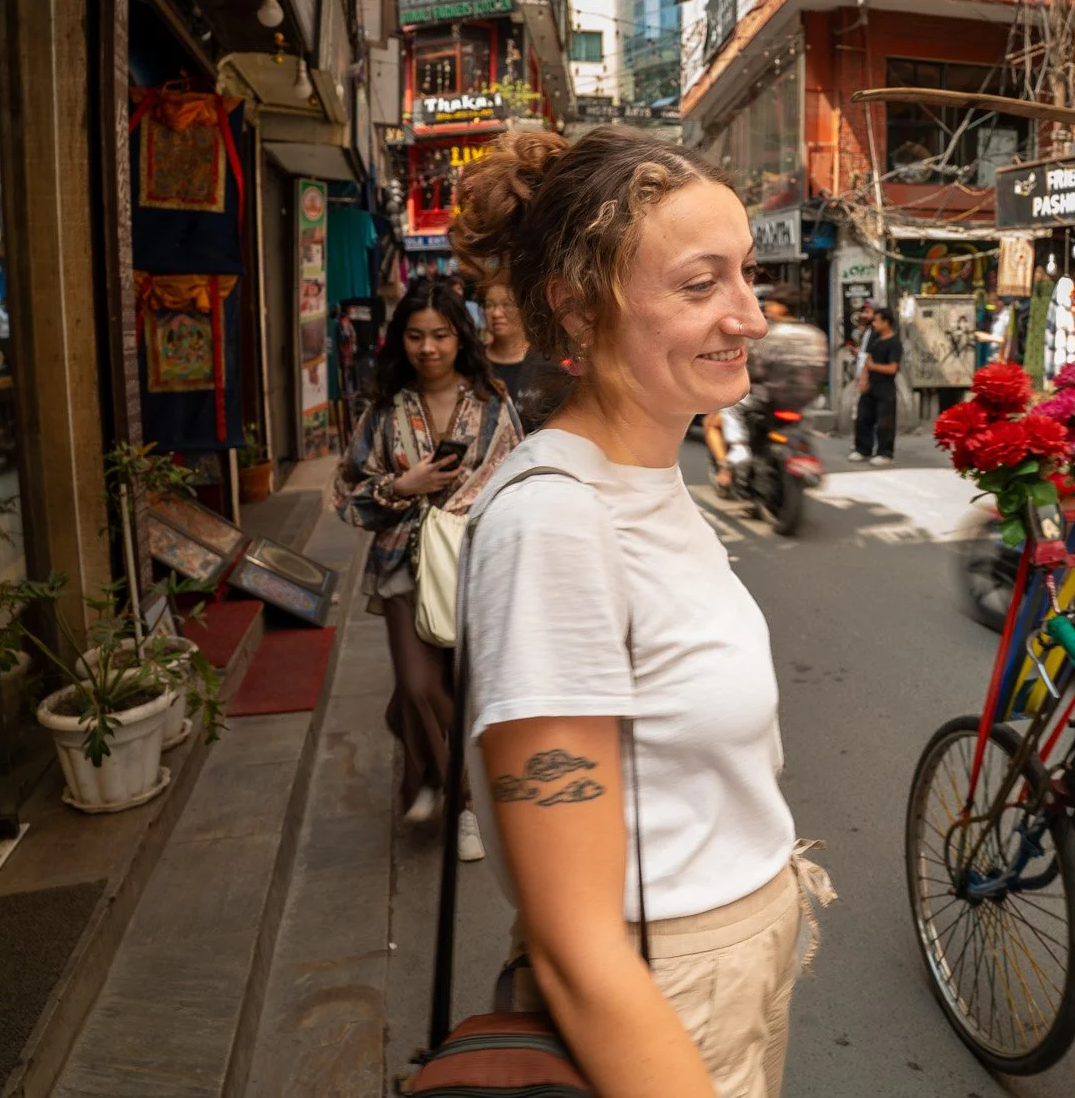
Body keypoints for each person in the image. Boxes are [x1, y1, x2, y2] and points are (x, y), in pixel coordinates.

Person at [451, 127, 832, 1098]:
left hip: (729, 970)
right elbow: (576, 947)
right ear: (577, 310)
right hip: (661, 1002)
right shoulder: (555, 523)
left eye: (744, 275)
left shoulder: (649, 476)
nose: (746, 315)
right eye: (699, 285)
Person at [335, 276, 522, 863]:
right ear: (401, 341)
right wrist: (402, 486)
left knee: (464, 688)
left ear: (458, 335)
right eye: (415, 336)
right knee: (421, 685)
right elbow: (346, 493)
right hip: (403, 566)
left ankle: (424, 769)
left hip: (476, 566)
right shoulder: (386, 409)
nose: (428, 348)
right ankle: (465, 802)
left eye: (440, 334)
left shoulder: (490, 402)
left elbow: (519, 477)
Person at [706, 286, 829, 493]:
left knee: (721, 416)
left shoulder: (767, 334)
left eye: (772, 304)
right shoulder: (815, 335)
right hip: (804, 401)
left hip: (768, 400)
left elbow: (753, 368)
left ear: (781, 308)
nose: (768, 308)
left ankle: (738, 451)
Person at [481, 278, 564, 432]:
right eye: (489, 305)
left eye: (507, 304)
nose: (496, 313)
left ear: (524, 309)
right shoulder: (474, 362)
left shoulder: (547, 364)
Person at [850, 306, 900, 465]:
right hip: (870, 385)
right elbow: (867, 361)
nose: (875, 324)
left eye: (877, 321)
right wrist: (863, 379)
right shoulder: (875, 340)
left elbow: (893, 368)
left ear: (886, 322)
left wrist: (873, 367)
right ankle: (863, 449)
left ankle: (885, 453)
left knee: (884, 422)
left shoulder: (894, 343)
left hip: (885, 388)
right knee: (863, 418)